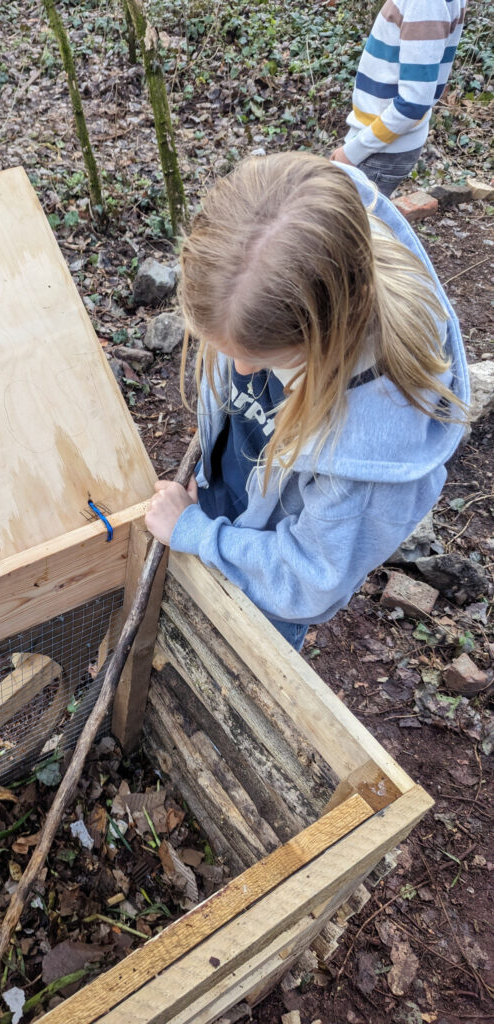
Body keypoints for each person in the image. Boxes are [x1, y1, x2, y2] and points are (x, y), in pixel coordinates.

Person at [144, 153, 469, 651]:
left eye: (266, 359)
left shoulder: (371, 462)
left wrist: (197, 533)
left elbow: (307, 582)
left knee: (240, 663)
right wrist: (207, 493)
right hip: (231, 505)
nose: (241, 373)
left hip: (269, 592)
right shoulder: (297, 229)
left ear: (331, 328)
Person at [331, 0, 466, 196]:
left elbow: (413, 104)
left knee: (343, 216)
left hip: (381, 149)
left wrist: (352, 153)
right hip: (380, 140)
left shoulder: (425, 5)